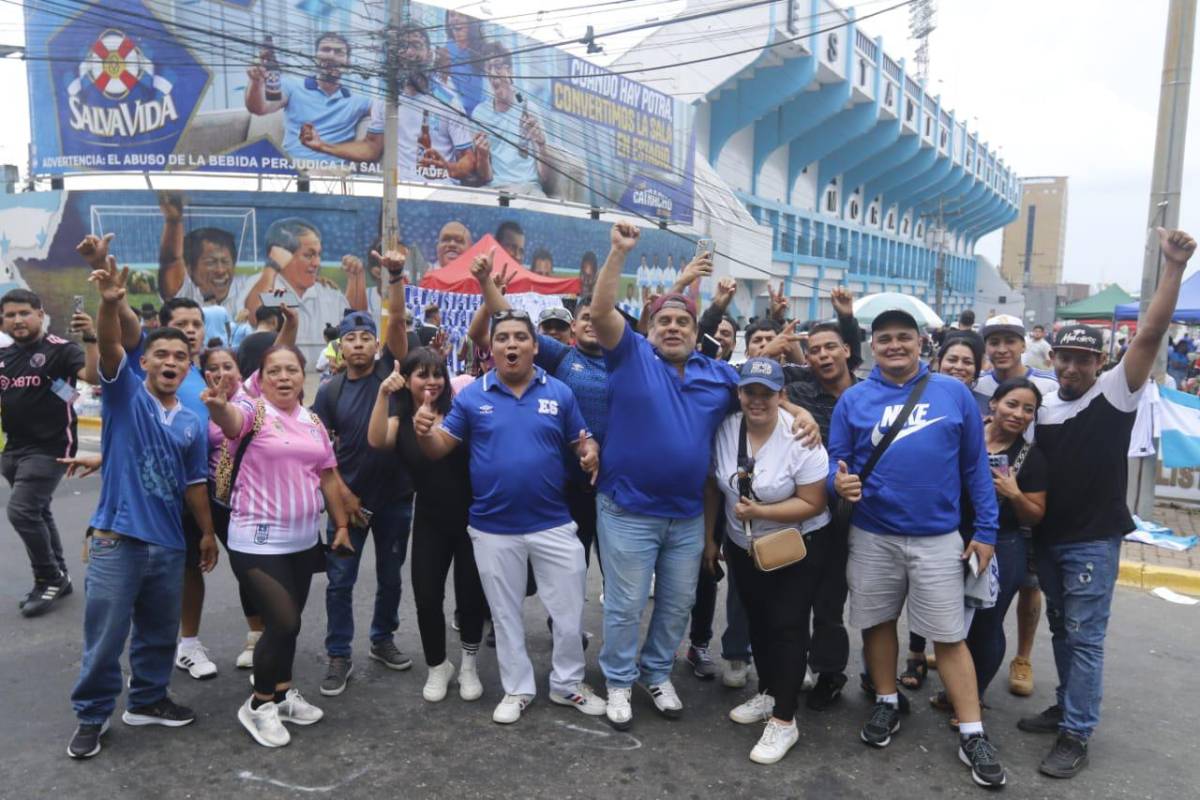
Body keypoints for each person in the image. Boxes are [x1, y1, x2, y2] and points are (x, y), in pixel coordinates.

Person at [587, 223, 818, 730]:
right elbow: (602, 311)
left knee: (677, 604)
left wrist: (799, 411)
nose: (673, 328)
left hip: (688, 515)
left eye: (682, 323)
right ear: (649, 331)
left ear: (697, 334)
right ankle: (620, 681)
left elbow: (762, 396)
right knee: (625, 606)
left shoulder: (718, 376)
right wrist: (618, 253)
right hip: (627, 509)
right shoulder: (630, 359)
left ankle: (655, 673)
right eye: (664, 321)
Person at [1018, 228, 1195, 779]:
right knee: (1064, 631)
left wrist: (1172, 267)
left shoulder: (1116, 392)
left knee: (1087, 638)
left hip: (1093, 540)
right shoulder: (1043, 403)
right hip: (1048, 537)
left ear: (1100, 363)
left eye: (1082, 360)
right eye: (1064, 358)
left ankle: (1077, 732)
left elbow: (1150, 334)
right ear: (1053, 357)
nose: (1071, 368)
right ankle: (1068, 707)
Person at [828, 308, 1006, 789]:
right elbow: (835, 459)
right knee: (878, 622)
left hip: (938, 537)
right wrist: (836, 480)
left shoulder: (953, 393)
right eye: (884, 339)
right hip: (872, 534)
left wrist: (986, 530)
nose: (894, 346)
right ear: (871, 346)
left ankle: (972, 732)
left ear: (920, 342)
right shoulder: (855, 399)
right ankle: (886, 702)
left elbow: (975, 468)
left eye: (903, 337)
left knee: (949, 635)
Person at [413, 307, 604, 725]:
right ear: (491, 347)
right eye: (503, 338)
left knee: (569, 612)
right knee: (504, 614)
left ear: (535, 346)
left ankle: (567, 684)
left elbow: (582, 442)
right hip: (492, 528)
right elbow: (439, 449)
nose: (511, 344)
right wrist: (424, 432)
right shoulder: (472, 397)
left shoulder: (560, 392)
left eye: (520, 337)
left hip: (554, 522)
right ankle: (517, 688)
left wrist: (589, 454)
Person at [67, 255, 216, 760]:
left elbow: (195, 483)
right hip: (116, 539)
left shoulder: (193, 421)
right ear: (145, 363)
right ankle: (91, 716)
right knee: (105, 638)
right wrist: (110, 304)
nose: (171, 361)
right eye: (162, 355)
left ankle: (148, 701)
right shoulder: (124, 395)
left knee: (156, 635)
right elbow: (109, 346)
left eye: (180, 356)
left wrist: (206, 533)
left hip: (169, 544)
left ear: (188, 365)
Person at [203, 344, 349, 748]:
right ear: (261, 378)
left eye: (292, 370)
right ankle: (259, 704)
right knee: (283, 623)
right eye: (274, 372)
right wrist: (218, 406)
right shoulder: (254, 412)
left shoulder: (313, 421)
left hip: (303, 542)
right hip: (256, 539)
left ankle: (283, 693)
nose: (284, 378)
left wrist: (340, 524)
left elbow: (328, 476)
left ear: (304, 377)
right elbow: (231, 421)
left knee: (287, 627)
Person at [705, 358, 832, 764]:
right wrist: (712, 539)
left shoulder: (800, 435)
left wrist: (760, 512)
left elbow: (814, 501)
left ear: (782, 396)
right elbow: (714, 487)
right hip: (745, 547)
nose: (756, 400)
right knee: (758, 620)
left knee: (787, 625)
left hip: (797, 543)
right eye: (749, 391)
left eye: (766, 392)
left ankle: (784, 718)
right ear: (739, 393)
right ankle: (770, 691)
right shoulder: (727, 428)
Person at [367, 347, 487, 703]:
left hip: (471, 519)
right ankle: (438, 666)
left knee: (470, 597)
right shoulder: (400, 418)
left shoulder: (459, 412)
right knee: (426, 596)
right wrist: (382, 394)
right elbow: (376, 442)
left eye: (438, 374)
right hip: (430, 520)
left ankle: (468, 664)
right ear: (409, 381)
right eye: (422, 374)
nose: (432, 381)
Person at [924, 379, 1046, 721]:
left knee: (986, 625)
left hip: (1002, 546)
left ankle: (972, 699)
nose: (1018, 414)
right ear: (993, 404)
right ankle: (957, 692)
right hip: (950, 538)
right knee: (951, 624)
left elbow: (1035, 515)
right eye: (1011, 404)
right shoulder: (965, 436)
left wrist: (1015, 494)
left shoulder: (1031, 456)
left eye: (1028, 410)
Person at [311, 303, 416, 696]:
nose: (358, 345)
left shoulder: (392, 373)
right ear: (340, 347)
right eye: (350, 339)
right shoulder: (329, 391)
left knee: (391, 577)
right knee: (339, 581)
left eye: (366, 338)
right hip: (347, 502)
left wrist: (393, 277)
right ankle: (339, 653)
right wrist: (343, 494)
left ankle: (381, 638)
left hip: (396, 498)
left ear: (377, 343)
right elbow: (318, 451)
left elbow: (400, 329)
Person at [975, 314, 1059, 696]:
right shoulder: (978, 385)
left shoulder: (1047, 384)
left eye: (1010, 340)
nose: (1002, 348)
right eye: (994, 341)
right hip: (974, 522)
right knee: (971, 609)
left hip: (1023, 504)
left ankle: (1022, 657)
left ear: (1024, 344)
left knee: (1026, 586)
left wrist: (1017, 492)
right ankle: (964, 661)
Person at [783, 312, 859, 711]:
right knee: (794, 597)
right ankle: (791, 669)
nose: (824, 355)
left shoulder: (866, 395)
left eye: (831, 347)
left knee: (831, 602)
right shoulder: (798, 389)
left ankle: (830, 672)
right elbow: (750, 378)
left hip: (849, 512)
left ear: (847, 350)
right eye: (814, 350)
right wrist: (801, 412)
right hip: (799, 510)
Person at [1, 288, 93, 617]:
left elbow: (93, 376)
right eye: (10, 315)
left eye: (24, 312)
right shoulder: (5, 357)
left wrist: (92, 338)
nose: (17, 320)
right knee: (38, 511)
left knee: (22, 511)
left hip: (50, 446)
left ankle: (48, 577)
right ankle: (61, 577)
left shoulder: (61, 350)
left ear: (40, 314)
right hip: (13, 450)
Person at [301, 24, 477, 184]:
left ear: (429, 55)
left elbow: (468, 159)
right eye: (402, 47)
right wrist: (322, 146)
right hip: (397, 192)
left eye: (416, 46)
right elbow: (371, 147)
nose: (409, 53)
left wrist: (446, 168)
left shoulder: (448, 101)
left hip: (438, 191)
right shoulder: (386, 99)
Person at [245, 32, 374, 167]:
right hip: (293, 170)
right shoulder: (292, 86)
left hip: (333, 174)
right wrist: (256, 82)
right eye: (325, 49)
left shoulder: (359, 100)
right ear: (315, 57)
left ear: (348, 62)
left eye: (339, 52)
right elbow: (259, 108)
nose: (331, 55)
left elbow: (387, 114)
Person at [244, 218, 350, 366]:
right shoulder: (261, 284)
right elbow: (254, 317)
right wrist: (272, 267)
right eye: (309, 255)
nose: (317, 263)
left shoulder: (331, 295)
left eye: (318, 255)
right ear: (281, 255)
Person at [156, 193, 255, 318]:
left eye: (225, 261)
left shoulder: (246, 285)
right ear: (190, 268)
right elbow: (170, 261)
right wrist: (173, 221)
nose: (220, 270)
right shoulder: (185, 289)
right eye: (210, 262)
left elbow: (282, 299)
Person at [473, 43, 553, 196]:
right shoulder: (480, 113)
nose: (493, 73)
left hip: (529, 188)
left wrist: (541, 145)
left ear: (509, 71)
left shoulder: (529, 109)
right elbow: (486, 177)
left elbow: (545, 178)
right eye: (488, 68)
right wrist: (482, 155)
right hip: (496, 189)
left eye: (497, 66)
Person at [440, 10, 485, 117]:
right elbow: (441, 85)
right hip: (455, 115)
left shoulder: (482, 49)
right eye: (452, 15)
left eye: (461, 15)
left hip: (481, 117)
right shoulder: (445, 50)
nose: (456, 18)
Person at [237, 305, 285, 377]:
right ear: (274, 320)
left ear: (257, 321)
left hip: (249, 386)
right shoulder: (281, 340)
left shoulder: (244, 342)